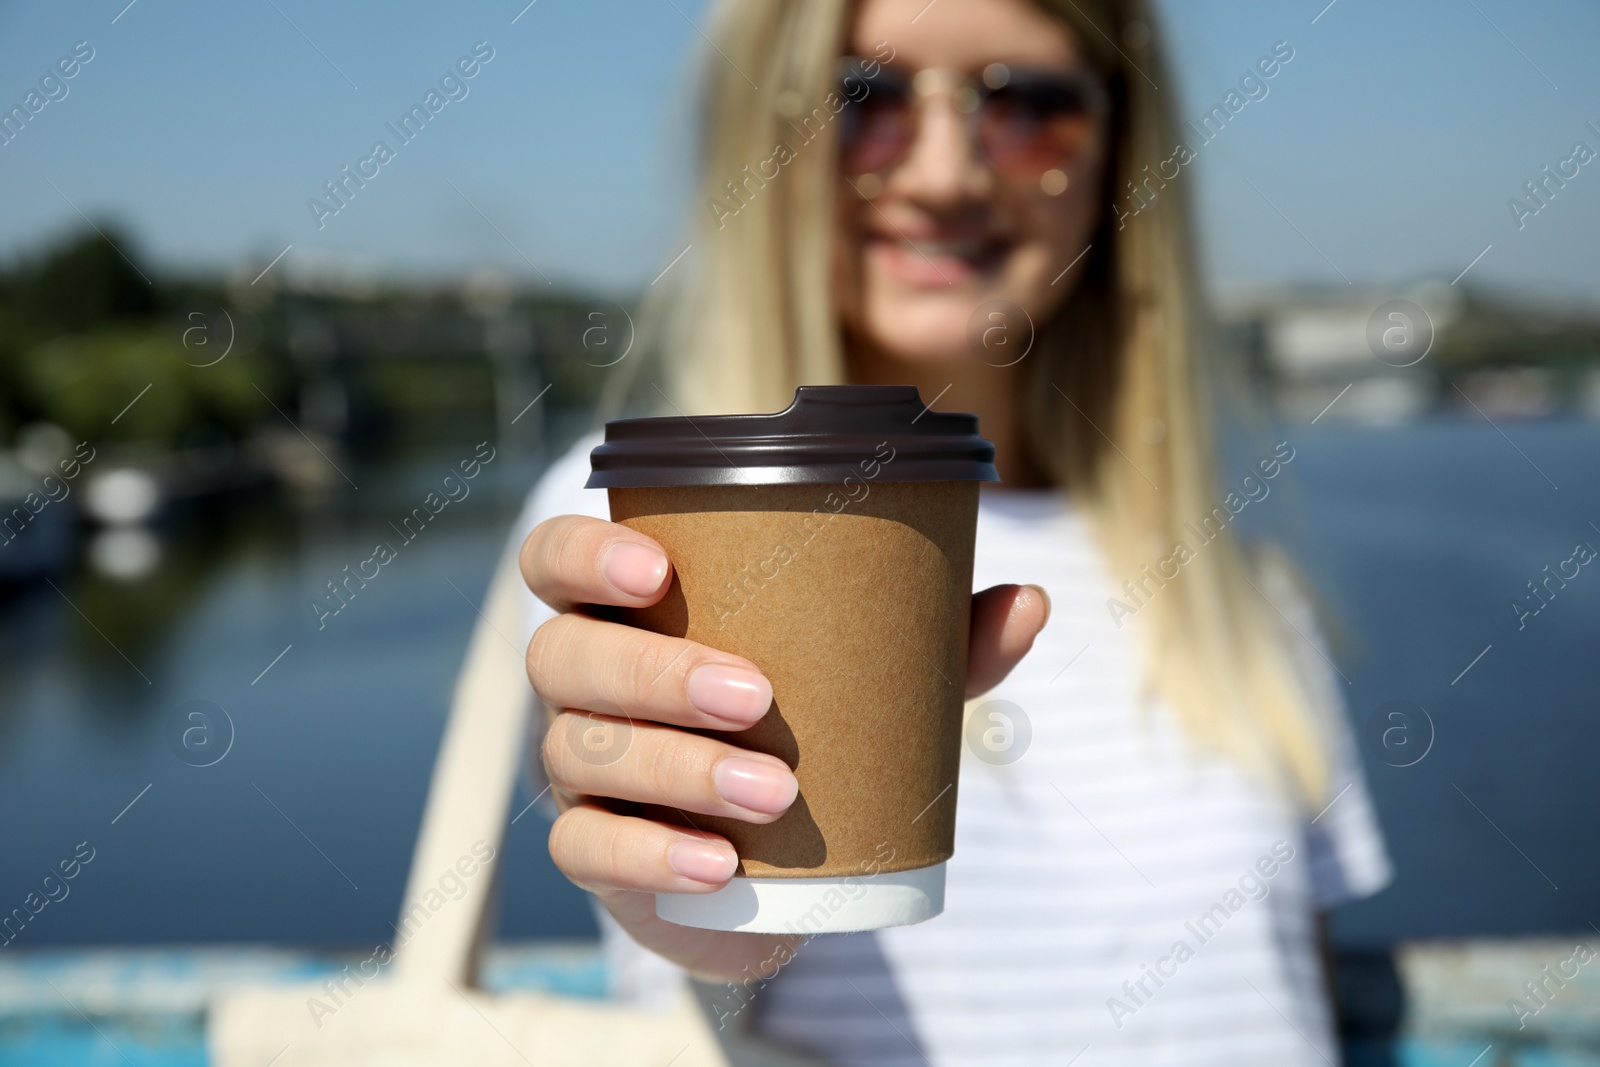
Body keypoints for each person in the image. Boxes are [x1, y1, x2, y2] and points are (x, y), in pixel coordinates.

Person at [513, 0, 1390, 1062]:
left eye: (1028, 106)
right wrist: (692, 913)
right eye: (859, 100)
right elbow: (704, 980)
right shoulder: (653, 522)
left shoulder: (1236, 591)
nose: (943, 174)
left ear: (1121, 148)